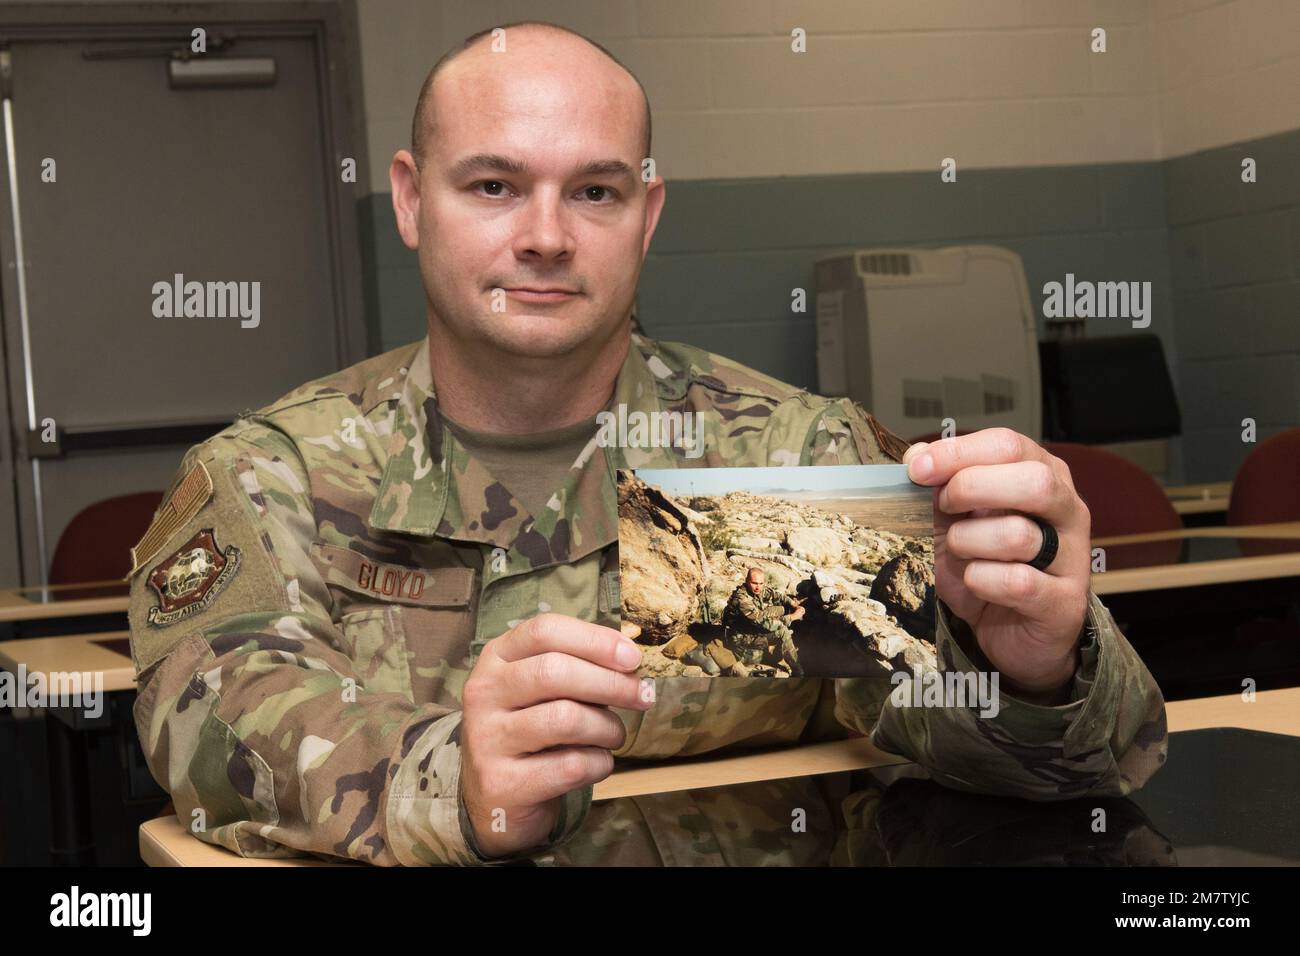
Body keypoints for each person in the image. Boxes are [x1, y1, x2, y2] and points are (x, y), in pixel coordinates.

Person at [125, 20, 1167, 867]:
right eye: (492, 185)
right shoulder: (279, 476)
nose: (544, 233)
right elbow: (214, 723)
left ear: (647, 212)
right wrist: (449, 776)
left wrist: (1022, 671)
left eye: (594, 190)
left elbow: (1031, 767)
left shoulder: (772, 461)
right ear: (408, 199)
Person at [720, 568, 806, 676]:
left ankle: (779, 648)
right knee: (782, 631)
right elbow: (764, 623)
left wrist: (793, 603)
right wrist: (792, 617)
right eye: (754, 583)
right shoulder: (742, 600)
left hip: (752, 630)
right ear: (747, 581)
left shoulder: (757, 590)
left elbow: (775, 595)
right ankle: (798, 672)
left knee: (780, 609)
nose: (758, 587)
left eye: (761, 583)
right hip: (741, 640)